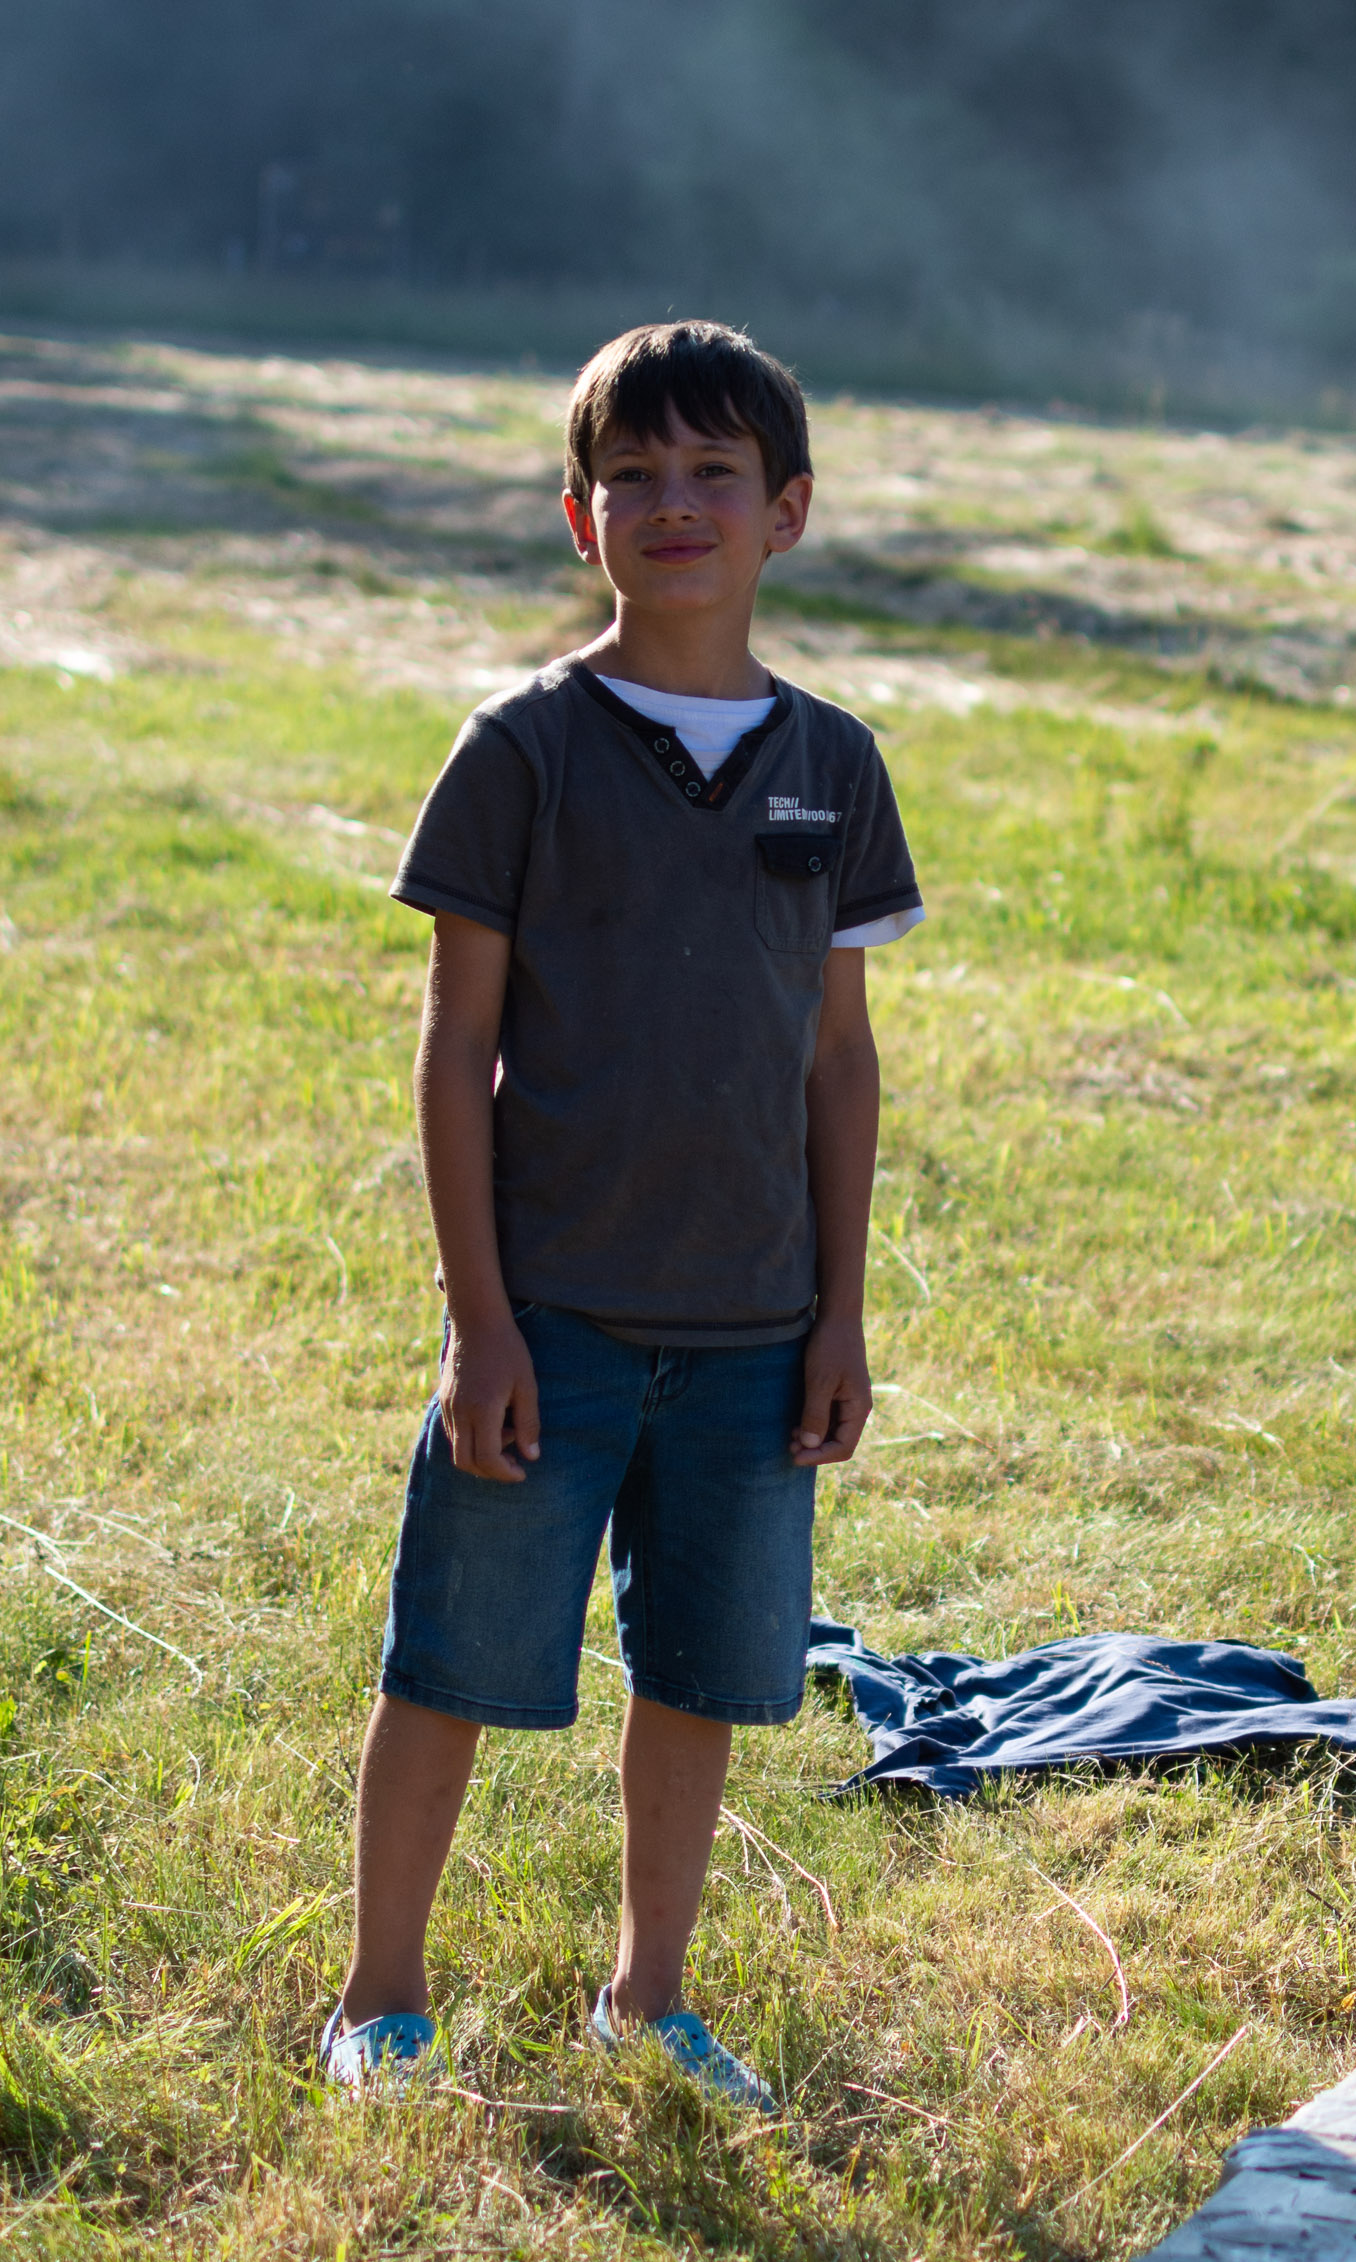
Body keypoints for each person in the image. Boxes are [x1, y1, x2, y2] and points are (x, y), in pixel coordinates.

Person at [318, 319, 924, 2098]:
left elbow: (839, 1063)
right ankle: (377, 2002)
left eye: (713, 473)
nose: (674, 504)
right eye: (633, 475)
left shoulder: (834, 762)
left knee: (701, 1678)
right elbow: (456, 1050)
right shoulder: (524, 749)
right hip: (553, 1319)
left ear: (786, 511)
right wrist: (480, 1322)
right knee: (452, 1663)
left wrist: (839, 1315)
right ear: (579, 517)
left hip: (753, 1333)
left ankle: (649, 1999)